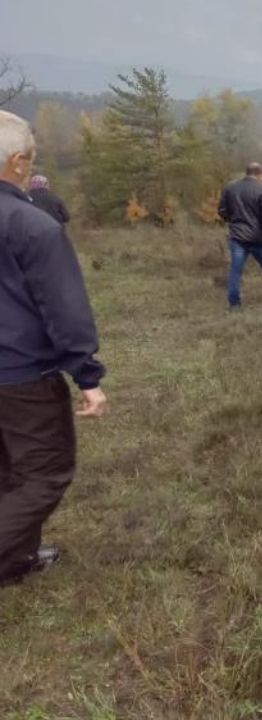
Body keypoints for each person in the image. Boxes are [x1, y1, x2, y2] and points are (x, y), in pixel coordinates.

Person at [0, 110, 107, 588]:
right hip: (22, 377)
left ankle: (15, 560)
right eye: (31, 156)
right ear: (18, 161)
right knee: (45, 473)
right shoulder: (32, 225)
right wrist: (87, 374)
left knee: (8, 470)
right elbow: (63, 307)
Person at [219, 163, 262, 308]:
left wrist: (233, 221)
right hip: (258, 238)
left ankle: (234, 304)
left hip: (237, 236)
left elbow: (222, 210)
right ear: (259, 174)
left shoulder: (230, 188)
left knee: (235, 271)